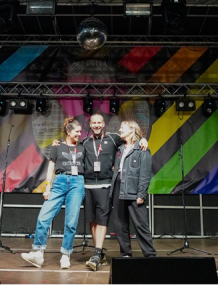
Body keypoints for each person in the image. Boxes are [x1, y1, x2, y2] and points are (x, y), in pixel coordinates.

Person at [52, 114, 148, 271]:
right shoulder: (85, 142)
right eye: (93, 123)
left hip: (105, 185)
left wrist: (142, 139)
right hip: (87, 185)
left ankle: (97, 252)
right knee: (92, 219)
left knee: (102, 218)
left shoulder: (113, 139)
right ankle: (98, 252)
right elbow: (70, 146)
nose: (96, 125)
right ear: (90, 125)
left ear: (104, 124)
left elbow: (131, 139)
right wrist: (58, 144)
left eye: (99, 122)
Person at [21, 116, 86, 269]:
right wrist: (48, 186)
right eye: (77, 131)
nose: (79, 134)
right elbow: (51, 167)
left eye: (80, 132)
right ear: (69, 132)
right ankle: (38, 253)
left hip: (77, 183)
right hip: (59, 182)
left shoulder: (83, 146)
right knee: (44, 217)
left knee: (71, 222)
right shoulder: (57, 146)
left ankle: (65, 254)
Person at [112, 120, 156, 258]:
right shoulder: (120, 147)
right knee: (120, 225)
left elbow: (145, 174)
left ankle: (150, 254)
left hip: (134, 190)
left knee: (141, 225)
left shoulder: (142, 149)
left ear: (132, 130)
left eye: (122, 128)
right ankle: (126, 254)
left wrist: (141, 194)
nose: (120, 130)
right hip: (119, 188)